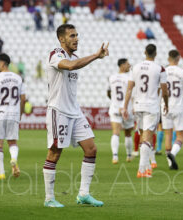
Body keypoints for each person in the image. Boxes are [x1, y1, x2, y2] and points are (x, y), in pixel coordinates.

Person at [43, 24, 108, 208]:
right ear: (62, 39)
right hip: (58, 111)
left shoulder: (76, 57)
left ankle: (84, 194)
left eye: (77, 35)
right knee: (55, 152)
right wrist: (96, 55)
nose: (76, 39)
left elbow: (74, 63)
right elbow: (70, 66)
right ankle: (49, 199)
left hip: (74, 111)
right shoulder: (55, 54)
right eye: (72, 36)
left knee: (91, 149)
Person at [122, 44, 169, 178]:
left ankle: (147, 167)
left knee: (143, 136)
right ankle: (142, 170)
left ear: (144, 52)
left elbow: (129, 89)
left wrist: (125, 106)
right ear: (155, 53)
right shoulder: (160, 68)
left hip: (138, 105)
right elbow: (164, 90)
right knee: (148, 138)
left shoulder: (135, 67)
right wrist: (166, 104)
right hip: (151, 106)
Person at [0, 53, 26, 180]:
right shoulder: (19, 78)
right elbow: (23, 99)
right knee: (12, 142)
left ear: (2, 63)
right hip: (14, 113)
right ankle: (13, 159)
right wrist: (20, 113)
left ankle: (1, 173)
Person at [161, 50, 183, 170]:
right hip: (178, 106)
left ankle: (170, 163)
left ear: (168, 58)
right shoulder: (182, 71)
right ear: (179, 58)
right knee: (180, 135)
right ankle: (173, 154)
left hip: (165, 106)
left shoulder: (163, 70)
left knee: (167, 134)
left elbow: (158, 90)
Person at [107, 58, 134, 164]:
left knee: (115, 132)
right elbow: (131, 93)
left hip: (115, 107)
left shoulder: (111, 77)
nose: (129, 66)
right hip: (126, 108)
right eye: (127, 64)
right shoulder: (129, 78)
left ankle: (115, 156)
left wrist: (114, 100)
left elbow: (108, 92)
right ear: (122, 65)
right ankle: (129, 155)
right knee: (128, 133)